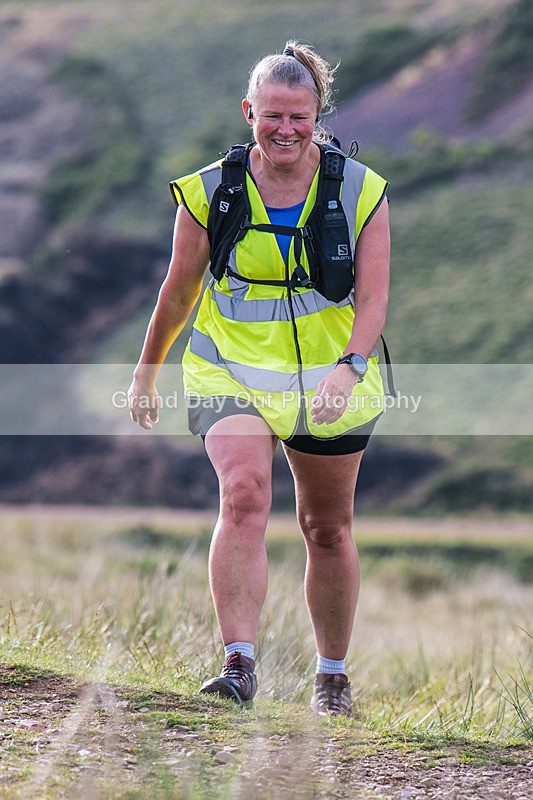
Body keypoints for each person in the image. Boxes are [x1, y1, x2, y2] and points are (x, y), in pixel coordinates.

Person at [128, 41, 390, 717]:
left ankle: (331, 678)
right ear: (249, 112)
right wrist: (146, 372)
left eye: (298, 116)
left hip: (328, 380)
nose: (284, 129)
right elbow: (178, 293)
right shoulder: (209, 190)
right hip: (228, 370)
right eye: (271, 115)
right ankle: (238, 665)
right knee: (242, 493)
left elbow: (373, 302)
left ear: (317, 114)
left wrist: (349, 367)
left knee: (325, 526)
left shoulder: (360, 190)